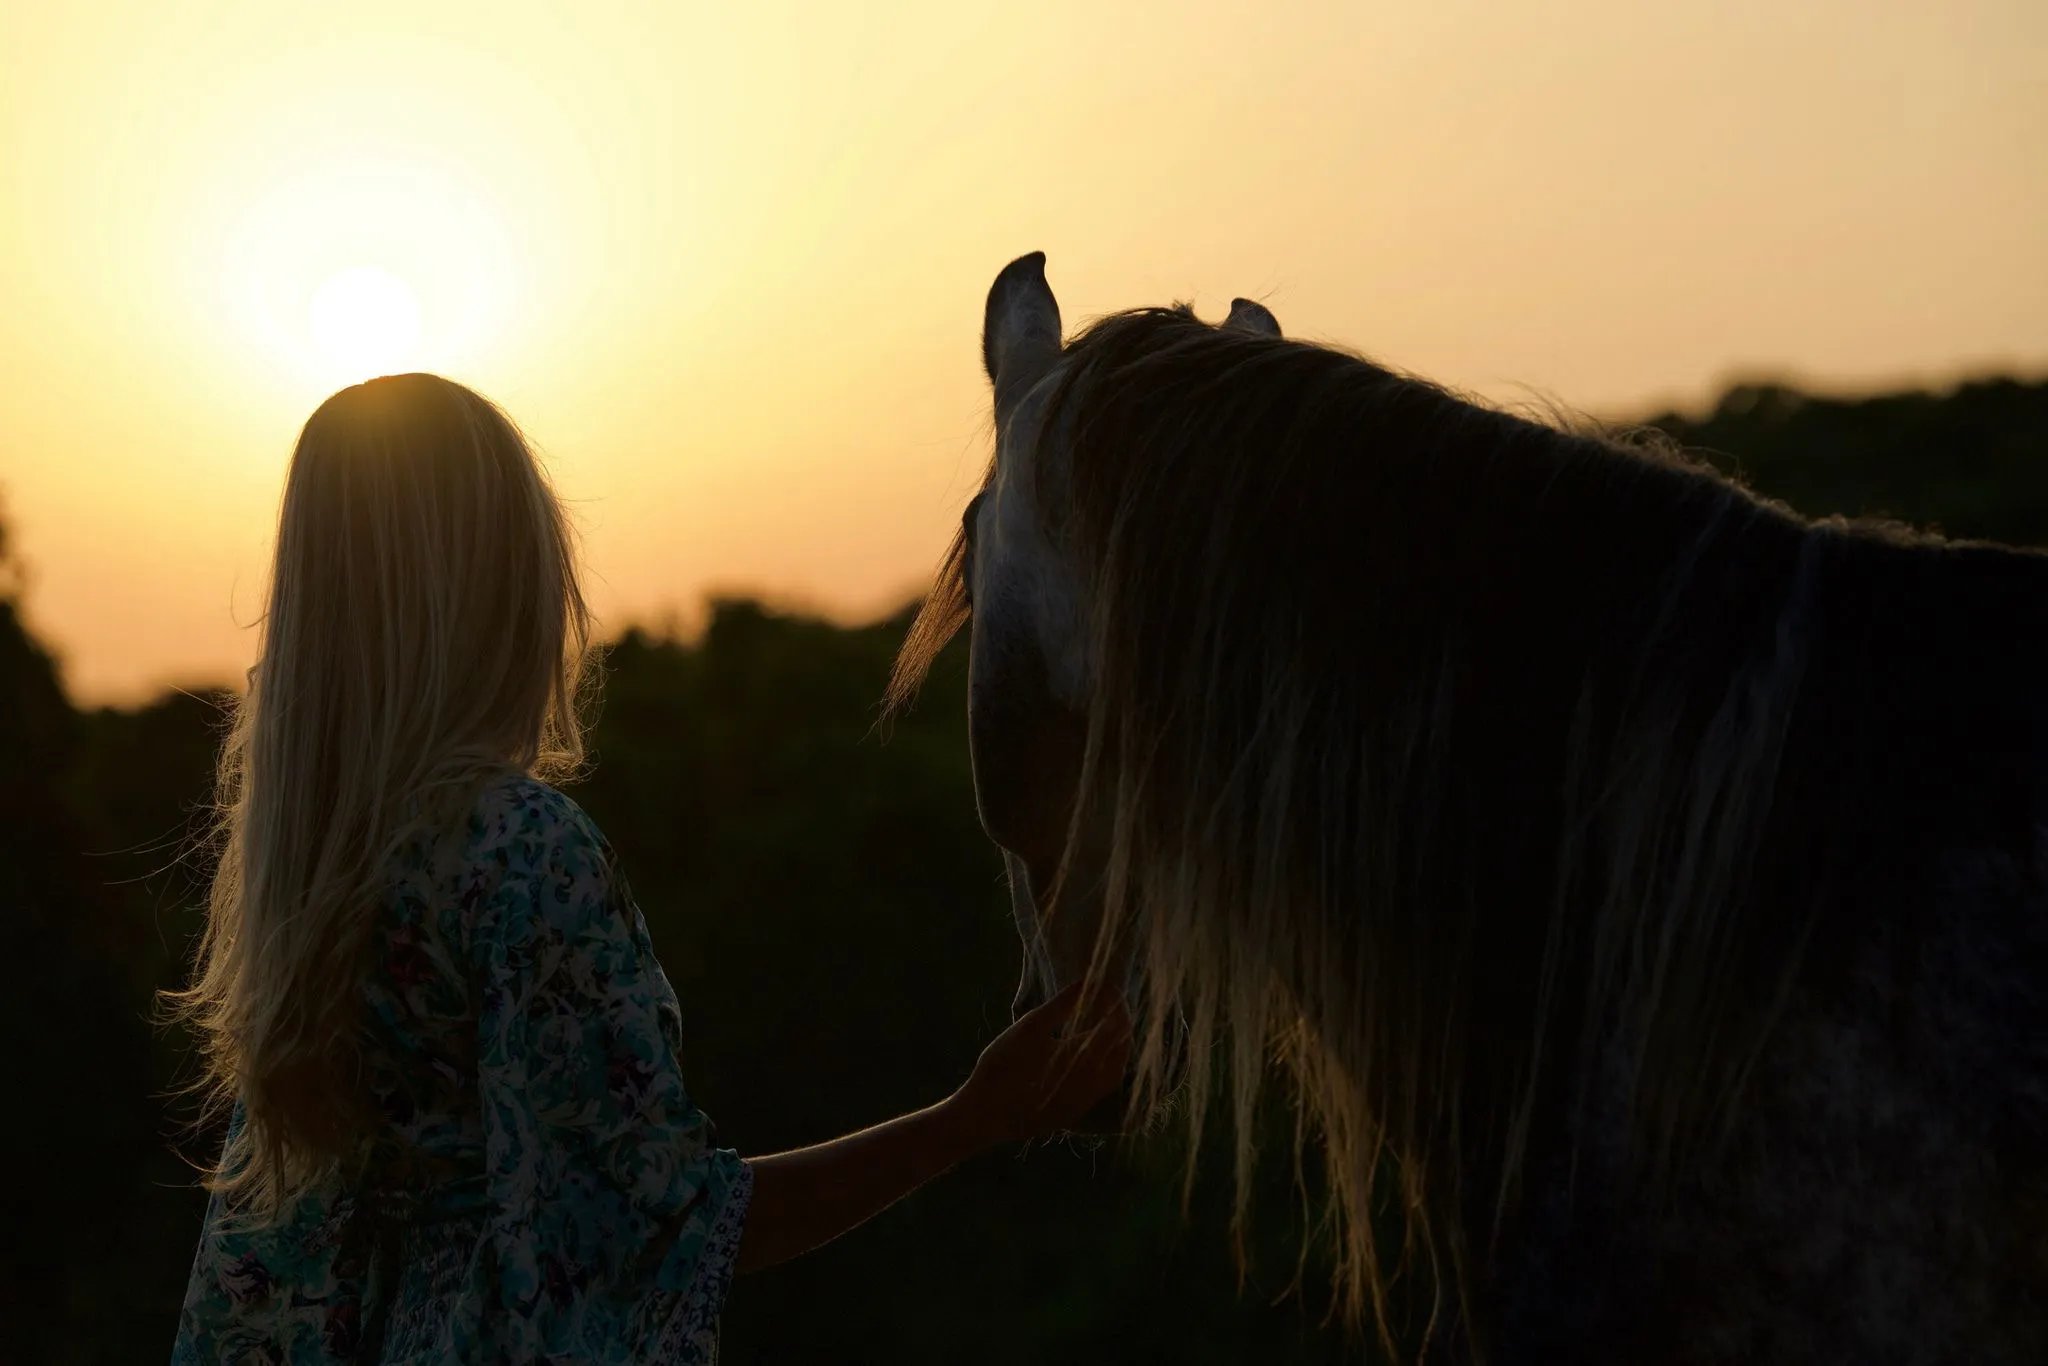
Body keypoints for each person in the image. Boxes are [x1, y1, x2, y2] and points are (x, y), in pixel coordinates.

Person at [166, 373, 1129, 1363]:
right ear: (507, 587)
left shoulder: (311, 867)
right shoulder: (520, 852)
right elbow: (670, 1229)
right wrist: (974, 1115)